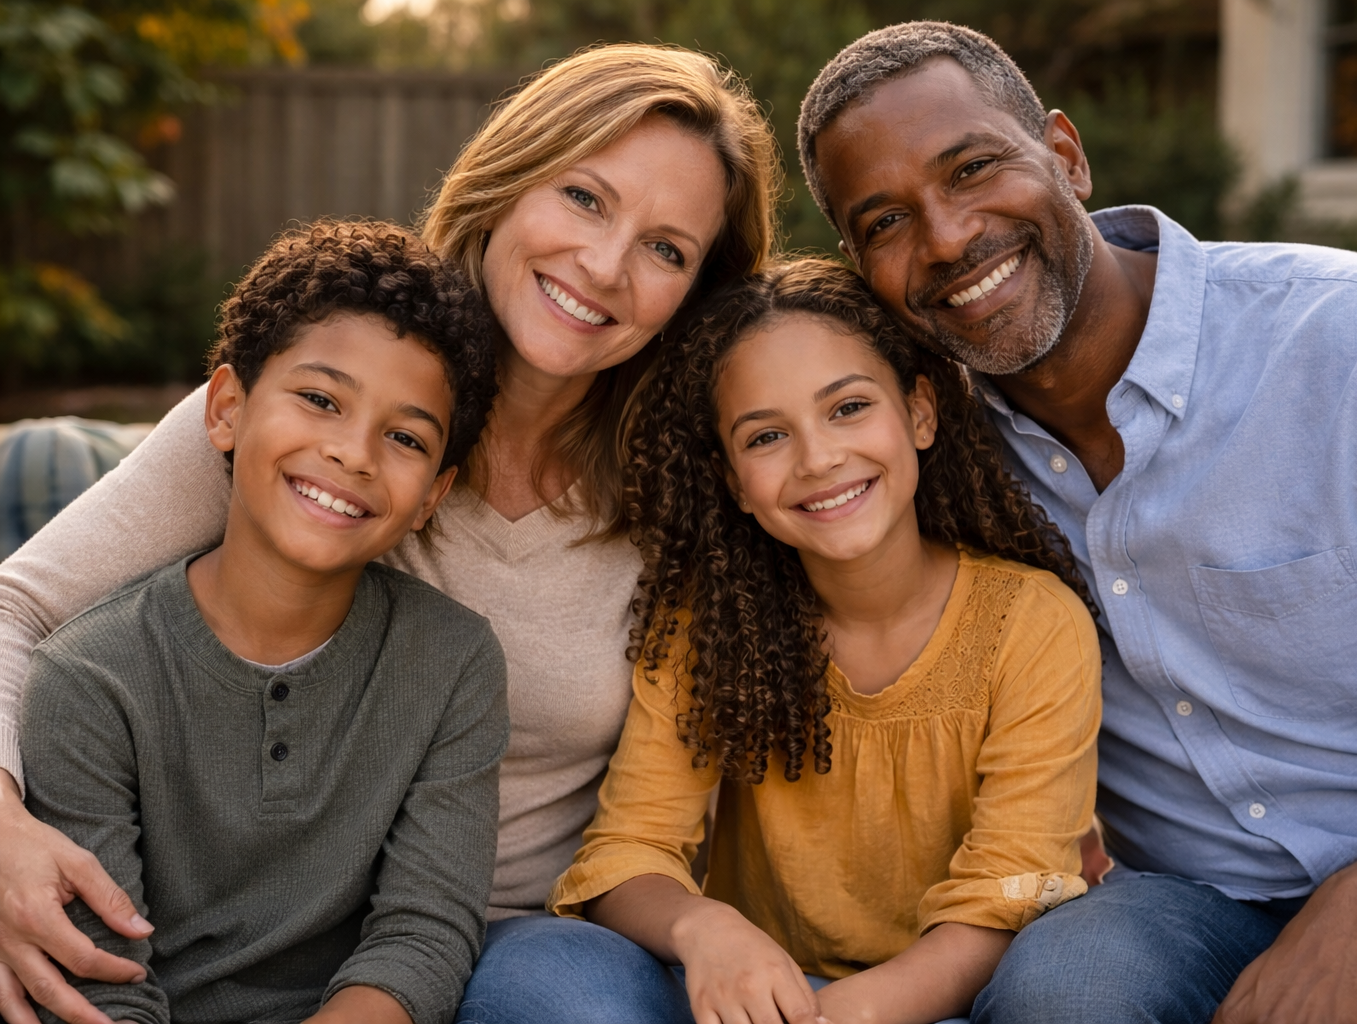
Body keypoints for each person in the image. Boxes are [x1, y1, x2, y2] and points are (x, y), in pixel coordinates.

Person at [0, 44, 779, 1024]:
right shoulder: (311, 408)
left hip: (510, 941)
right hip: (255, 927)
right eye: (584, 197)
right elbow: (17, 605)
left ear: (695, 292)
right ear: (506, 181)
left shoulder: (685, 489)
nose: (606, 264)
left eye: (667, 248)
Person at [793, 20, 1357, 1024]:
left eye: (972, 170)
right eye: (885, 221)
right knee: (1067, 987)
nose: (948, 238)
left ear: (1065, 155)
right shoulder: (926, 460)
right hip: (1197, 914)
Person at [473, 258, 1102, 1024]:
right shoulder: (709, 624)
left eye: (848, 408)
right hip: (754, 1002)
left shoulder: (1030, 625)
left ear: (921, 414)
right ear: (735, 480)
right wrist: (704, 928)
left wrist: (846, 1016)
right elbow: (626, 851)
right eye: (767, 435)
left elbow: (1009, 887)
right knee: (537, 968)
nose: (818, 458)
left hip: (953, 1003)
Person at [20, 220, 508, 1024]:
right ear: (225, 410)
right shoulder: (89, 678)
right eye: (320, 400)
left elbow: (422, 936)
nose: (354, 453)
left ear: (432, 495)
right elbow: (103, 983)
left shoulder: (453, 663)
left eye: (404, 437)